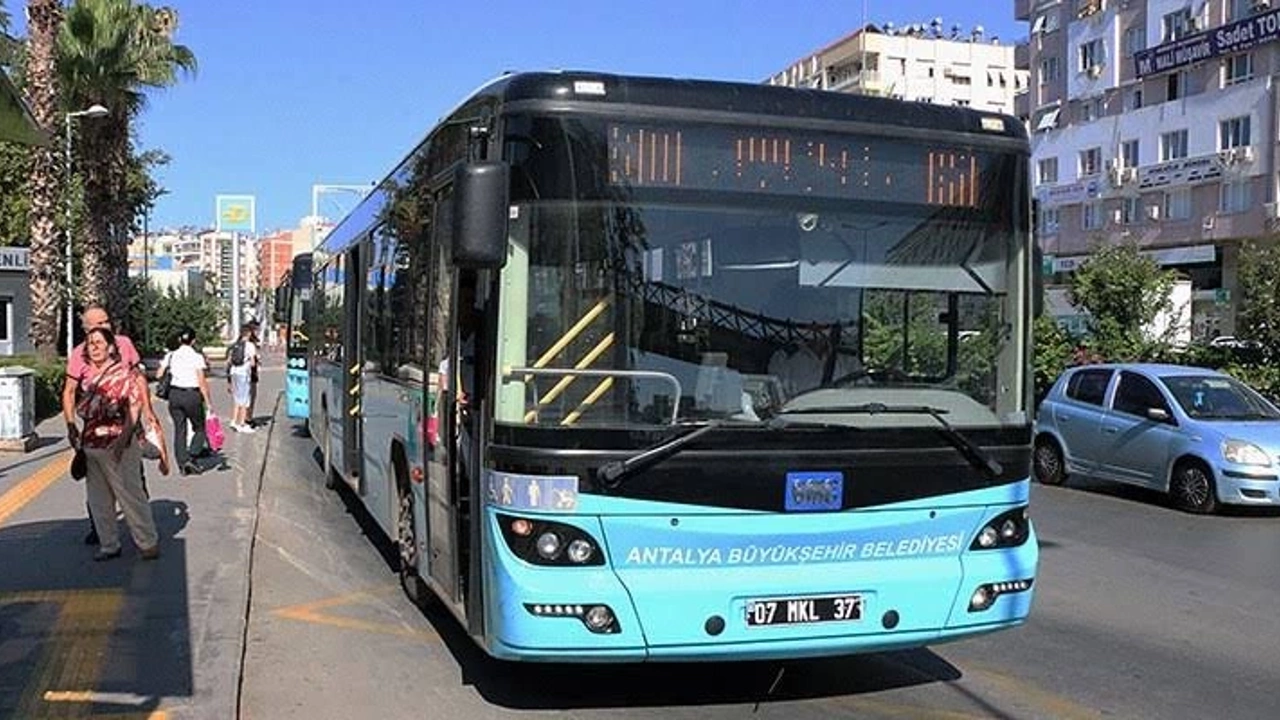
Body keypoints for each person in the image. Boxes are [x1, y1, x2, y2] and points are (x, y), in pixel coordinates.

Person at [62, 305, 159, 546]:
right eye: (97, 325)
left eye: (105, 322)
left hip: (125, 428)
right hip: (93, 434)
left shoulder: (124, 344)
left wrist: (148, 411)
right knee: (97, 490)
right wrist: (70, 424)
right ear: (86, 329)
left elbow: (138, 380)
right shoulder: (78, 354)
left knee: (131, 484)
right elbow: (70, 391)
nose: (104, 327)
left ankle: (144, 535)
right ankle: (104, 534)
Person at [157, 327, 213, 475]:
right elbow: (201, 381)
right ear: (193, 341)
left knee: (179, 430)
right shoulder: (196, 357)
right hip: (192, 395)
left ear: (179, 340)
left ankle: (182, 463)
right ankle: (192, 455)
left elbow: (159, 374)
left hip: (174, 395)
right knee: (200, 428)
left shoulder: (171, 355)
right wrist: (208, 402)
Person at [227, 325, 258, 433]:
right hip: (243, 373)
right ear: (248, 334)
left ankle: (234, 421)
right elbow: (253, 363)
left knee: (237, 398)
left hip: (234, 373)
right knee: (245, 399)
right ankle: (242, 424)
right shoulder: (250, 345)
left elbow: (229, 361)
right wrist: (252, 362)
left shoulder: (235, 345)